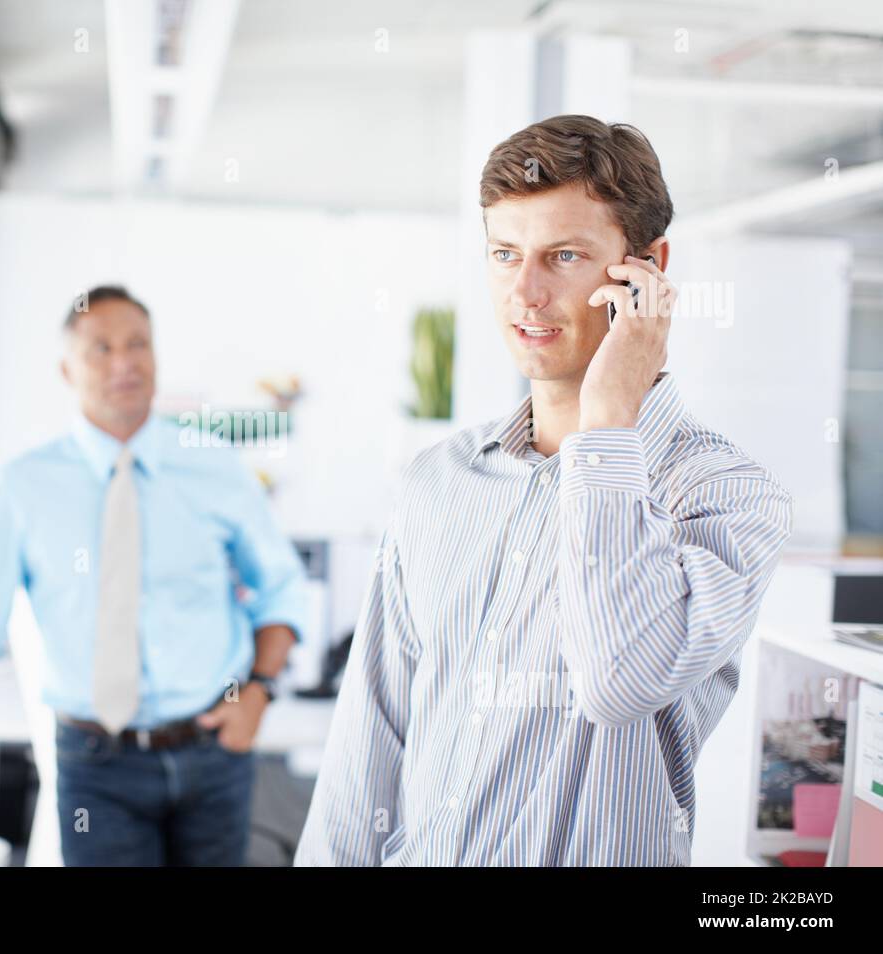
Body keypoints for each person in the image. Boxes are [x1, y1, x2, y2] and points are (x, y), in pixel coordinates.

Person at [295, 114, 794, 866]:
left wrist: (606, 424)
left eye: (563, 255)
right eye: (505, 254)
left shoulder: (725, 495)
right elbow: (370, 735)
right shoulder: (438, 481)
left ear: (647, 270)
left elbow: (623, 679)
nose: (525, 292)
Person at [0, 285, 308, 866]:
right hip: (95, 767)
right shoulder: (18, 488)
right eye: (100, 348)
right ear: (66, 369)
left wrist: (259, 691)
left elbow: (282, 588)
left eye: (138, 344)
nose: (124, 362)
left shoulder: (214, 467)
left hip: (214, 754)